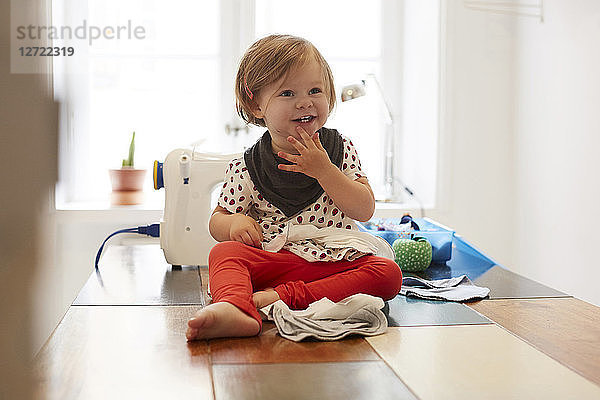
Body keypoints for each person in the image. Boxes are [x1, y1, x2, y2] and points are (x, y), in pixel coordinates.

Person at [186, 34, 402, 341]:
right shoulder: (248, 166)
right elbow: (218, 219)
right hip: (278, 259)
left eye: (315, 90)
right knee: (225, 253)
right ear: (255, 104)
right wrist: (235, 223)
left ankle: (283, 298)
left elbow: (364, 209)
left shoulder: (339, 149)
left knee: (387, 273)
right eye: (287, 93)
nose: (305, 101)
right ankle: (235, 308)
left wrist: (325, 171)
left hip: (335, 261)